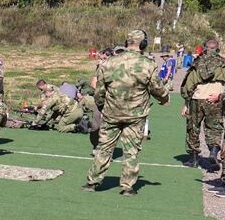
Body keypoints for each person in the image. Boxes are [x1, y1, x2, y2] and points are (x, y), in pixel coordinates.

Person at [83, 29, 170, 196]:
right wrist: (164, 98)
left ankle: (92, 182)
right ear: (143, 44)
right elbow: (156, 88)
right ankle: (127, 187)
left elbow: (99, 91)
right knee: (131, 151)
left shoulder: (108, 63)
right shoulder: (148, 64)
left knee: (104, 148)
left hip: (111, 113)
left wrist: (101, 107)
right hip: (135, 116)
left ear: (126, 43)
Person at [179, 38, 224, 168]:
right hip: (215, 99)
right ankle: (213, 152)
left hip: (197, 98)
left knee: (193, 128)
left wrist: (186, 103)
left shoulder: (197, 63)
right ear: (217, 48)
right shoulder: (222, 63)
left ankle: (193, 159)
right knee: (214, 128)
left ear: (205, 48)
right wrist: (220, 96)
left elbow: (188, 85)